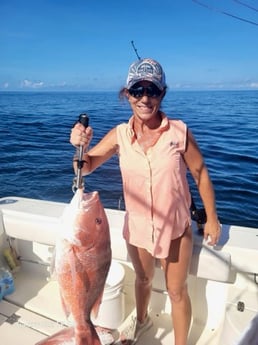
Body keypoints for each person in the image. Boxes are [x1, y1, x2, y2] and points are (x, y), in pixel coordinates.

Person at [70, 58, 221, 345]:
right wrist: (80, 146)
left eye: (152, 90)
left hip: (175, 227)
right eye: (137, 90)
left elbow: (200, 174)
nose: (145, 98)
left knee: (177, 292)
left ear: (162, 93)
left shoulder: (179, 132)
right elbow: (85, 166)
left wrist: (212, 217)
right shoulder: (120, 135)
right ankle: (142, 321)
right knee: (142, 280)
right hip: (138, 228)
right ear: (126, 93)